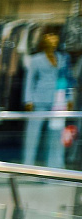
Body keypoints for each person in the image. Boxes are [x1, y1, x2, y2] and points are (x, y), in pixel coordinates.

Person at [23, 31, 72, 167]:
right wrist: (28, 99)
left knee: (56, 134)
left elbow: (67, 78)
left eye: (55, 39)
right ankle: (28, 163)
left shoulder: (62, 58)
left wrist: (69, 97)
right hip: (39, 99)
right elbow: (30, 80)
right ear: (44, 42)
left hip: (58, 100)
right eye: (50, 39)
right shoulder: (36, 59)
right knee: (33, 133)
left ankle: (54, 165)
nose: (53, 42)